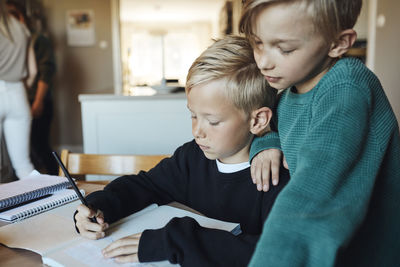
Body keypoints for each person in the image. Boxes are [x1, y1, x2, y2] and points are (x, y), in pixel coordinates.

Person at [74, 35, 290, 266]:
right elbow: (144, 186)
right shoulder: (191, 157)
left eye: (213, 121)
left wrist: (175, 241)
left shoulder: (277, 176)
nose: (197, 130)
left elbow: (277, 253)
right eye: (193, 115)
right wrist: (100, 206)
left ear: (257, 120)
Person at [239, 0, 400, 266]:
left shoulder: (346, 87)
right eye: (257, 43)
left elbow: (313, 196)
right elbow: (272, 129)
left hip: (373, 250)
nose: (263, 62)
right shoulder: (289, 92)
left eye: (285, 48)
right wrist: (268, 144)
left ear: (337, 44)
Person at [7, 0, 58, 175]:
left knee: (40, 145)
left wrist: (38, 100)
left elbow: (44, 72)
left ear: (22, 17)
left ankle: (55, 181)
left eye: (13, 15)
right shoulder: (17, 38)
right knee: (25, 155)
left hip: (36, 98)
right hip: (21, 97)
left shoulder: (36, 39)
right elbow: (32, 72)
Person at [0, 0, 35, 180]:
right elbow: (33, 71)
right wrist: (19, 90)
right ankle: (41, 207)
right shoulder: (21, 28)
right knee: (23, 165)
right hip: (18, 93)